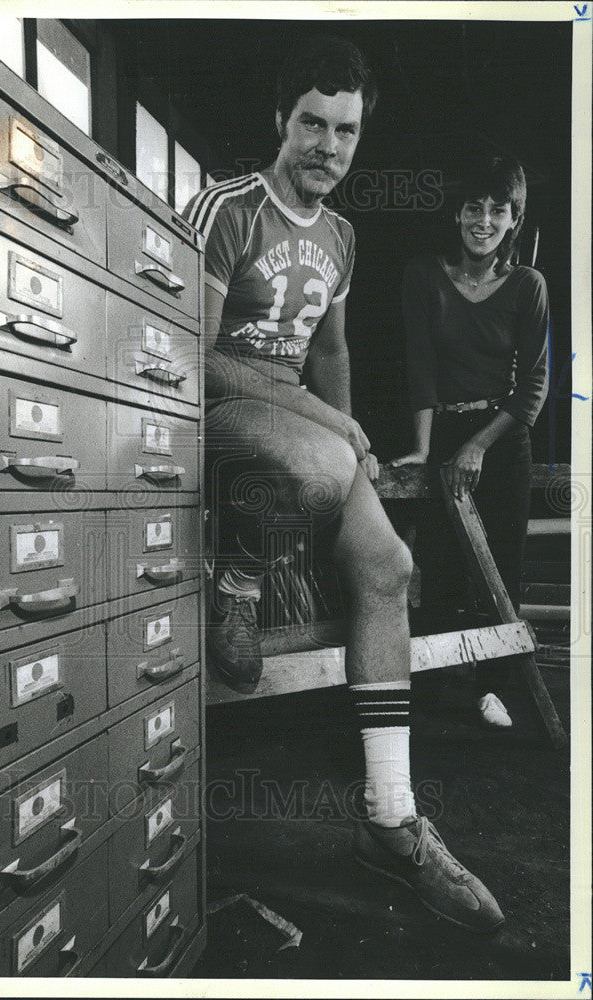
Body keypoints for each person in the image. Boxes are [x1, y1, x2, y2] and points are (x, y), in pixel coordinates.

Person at [184, 36, 504, 933]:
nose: (330, 145)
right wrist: (337, 431)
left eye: (348, 131)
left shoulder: (344, 235)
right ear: (280, 125)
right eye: (313, 124)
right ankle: (236, 580)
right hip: (225, 416)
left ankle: (393, 820)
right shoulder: (227, 207)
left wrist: (350, 436)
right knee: (324, 459)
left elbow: (331, 351)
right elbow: (192, 357)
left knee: (389, 565)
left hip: (309, 422)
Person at [392, 153, 549, 729]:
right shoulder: (423, 275)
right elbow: (421, 367)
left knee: (500, 567)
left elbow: (533, 386)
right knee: (435, 565)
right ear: (456, 213)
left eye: (497, 210)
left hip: (503, 438)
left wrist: (478, 446)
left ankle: (495, 688)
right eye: (473, 207)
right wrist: (423, 449)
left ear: (514, 219)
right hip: (445, 431)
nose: (484, 220)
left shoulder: (528, 285)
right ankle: (431, 687)